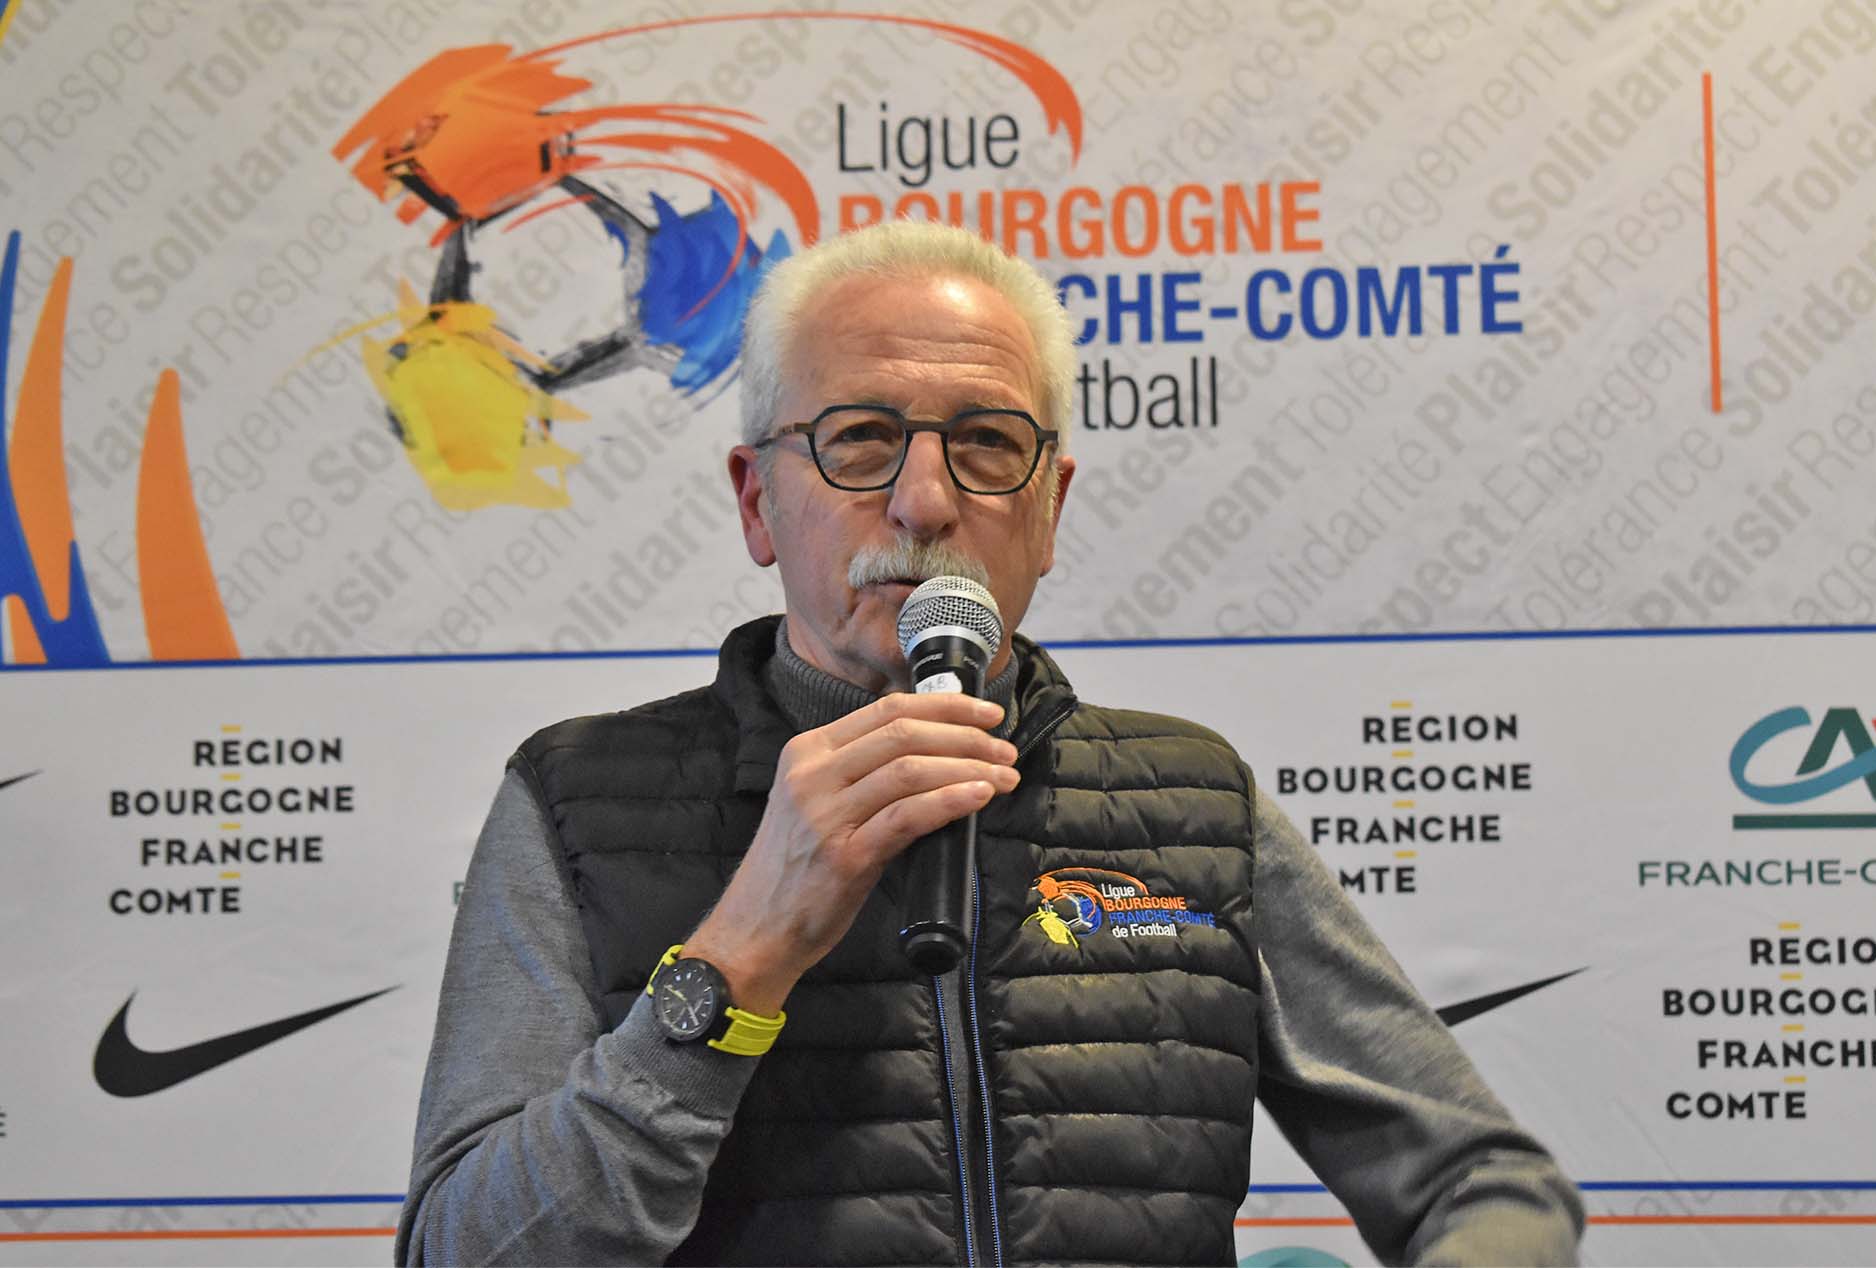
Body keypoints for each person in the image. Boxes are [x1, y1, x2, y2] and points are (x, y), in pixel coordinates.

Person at [397, 220, 1584, 1266]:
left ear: (1049, 505)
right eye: (861, 437)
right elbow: (464, 1248)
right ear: (758, 501)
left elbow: (1484, 1183)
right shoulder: (573, 799)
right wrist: (735, 955)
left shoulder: (1195, 803)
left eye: (985, 442)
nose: (924, 500)